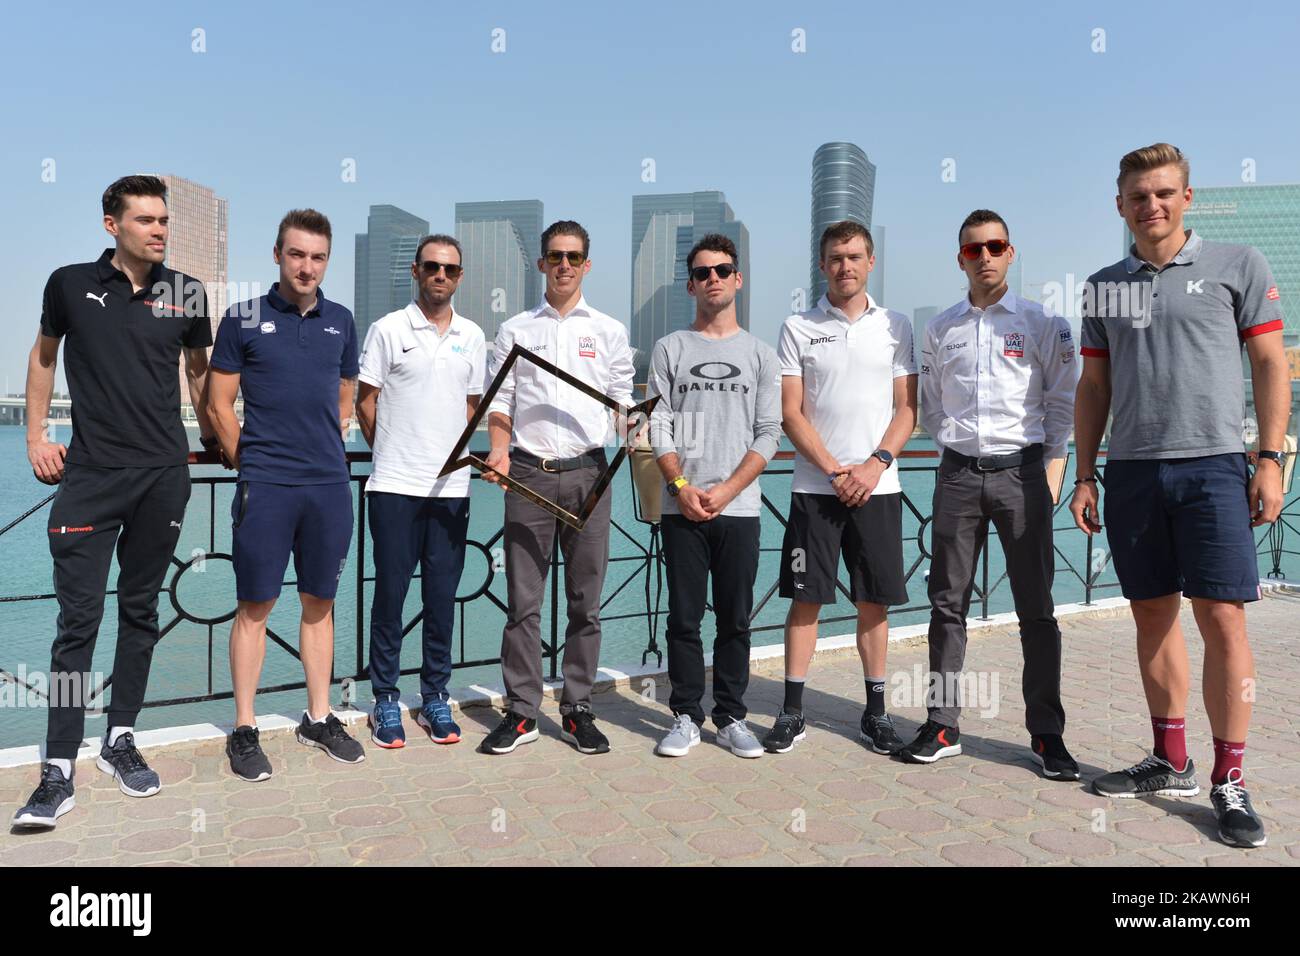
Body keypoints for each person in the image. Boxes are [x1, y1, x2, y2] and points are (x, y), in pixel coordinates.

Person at [1071, 144, 1289, 848]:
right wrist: (1083, 473)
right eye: (1139, 196)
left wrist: (1270, 459)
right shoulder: (1103, 286)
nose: (1152, 205)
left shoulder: (1239, 265)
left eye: (1165, 193)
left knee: (1223, 618)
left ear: (1187, 197)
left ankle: (1230, 778)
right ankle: (1170, 760)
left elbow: (1269, 363)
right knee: (1152, 618)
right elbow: (1094, 387)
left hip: (1216, 467)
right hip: (1133, 471)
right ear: (1121, 206)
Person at [14, 175, 218, 829]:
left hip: (163, 476)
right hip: (90, 478)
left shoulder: (187, 292)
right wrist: (37, 435)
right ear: (112, 224)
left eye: (165, 220)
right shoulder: (70, 284)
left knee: (141, 613)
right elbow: (43, 358)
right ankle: (56, 768)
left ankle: (120, 737)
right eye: (146, 220)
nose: (160, 230)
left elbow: (197, 372)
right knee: (77, 624)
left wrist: (217, 438)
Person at [908, 210, 1078, 777]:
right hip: (956, 476)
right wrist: (954, 448)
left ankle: (1046, 736)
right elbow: (930, 403)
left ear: (1010, 253)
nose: (984, 256)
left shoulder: (1042, 322)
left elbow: (1062, 399)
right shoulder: (940, 329)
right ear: (960, 258)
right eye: (973, 249)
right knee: (945, 604)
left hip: (1023, 475)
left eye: (995, 246)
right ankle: (941, 723)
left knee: (1037, 608)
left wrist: (1054, 461)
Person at [208, 209, 363, 781]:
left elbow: (346, 392)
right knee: (255, 607)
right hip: (266, 484)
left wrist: (331, 431)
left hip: (328, 484)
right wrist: (245, 457)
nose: (307, 266)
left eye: (317, 257)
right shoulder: (243, 317)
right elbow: (218, 402)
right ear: (278, 255)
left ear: (327, 262)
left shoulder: (342, 320)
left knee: (319, 603)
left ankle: (318, 717)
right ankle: (244, 729)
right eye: (297, 254)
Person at [478, 221, 635, 755]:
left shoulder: (610, 331)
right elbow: (499, 404)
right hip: (526, 474)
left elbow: (621, 405)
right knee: (523, 603)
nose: (564, 265)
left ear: (587, 265)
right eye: (555, 256)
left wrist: (639, 432)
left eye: (573, 257)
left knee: (585, 604)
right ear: (542, 264)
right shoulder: (514, 329)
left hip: (591, 473)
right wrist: (498, 449)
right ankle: (521, 713)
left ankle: (577, 708)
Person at [766, 220, 916, 756]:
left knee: (874, 602)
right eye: (835, 258)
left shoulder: (896, 326)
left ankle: (875, 715)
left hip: (880, 487)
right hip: (815, 489)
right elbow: (790, 412)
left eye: (854, 256)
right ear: (823, 265)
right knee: (804, 601)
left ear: (870, 262)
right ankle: (792, 712)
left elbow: (907, 408)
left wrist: (874, 466)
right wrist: (834, 471)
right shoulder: (797, 327)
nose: (844, 266)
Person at [647, 234, 781, 759]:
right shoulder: (670, 348)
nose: (713, 280)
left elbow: (769, 432)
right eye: (703, 273)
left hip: (740, 508)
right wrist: (679, 487)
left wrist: (726, 490)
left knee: (735, 619)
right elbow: (657, 423)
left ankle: (730, 717)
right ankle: (684, 714)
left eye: (723, 270)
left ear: (737, 279)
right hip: (681, 506)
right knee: (682, 618)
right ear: (691, 284)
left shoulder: (760, 355)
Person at [357, 234, 485, 747]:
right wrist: (391, 450)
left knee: (441, 597)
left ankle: (435, 694)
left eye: (451, 269)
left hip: (452, 490)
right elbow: (366, 402)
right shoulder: (388, 329)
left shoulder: (474, 335)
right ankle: (384, 698)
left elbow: (474, 405)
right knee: (389, 595)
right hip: (393, 486)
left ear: (459, 277)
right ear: (415, 270)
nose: (441, 275)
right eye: (432, 266)